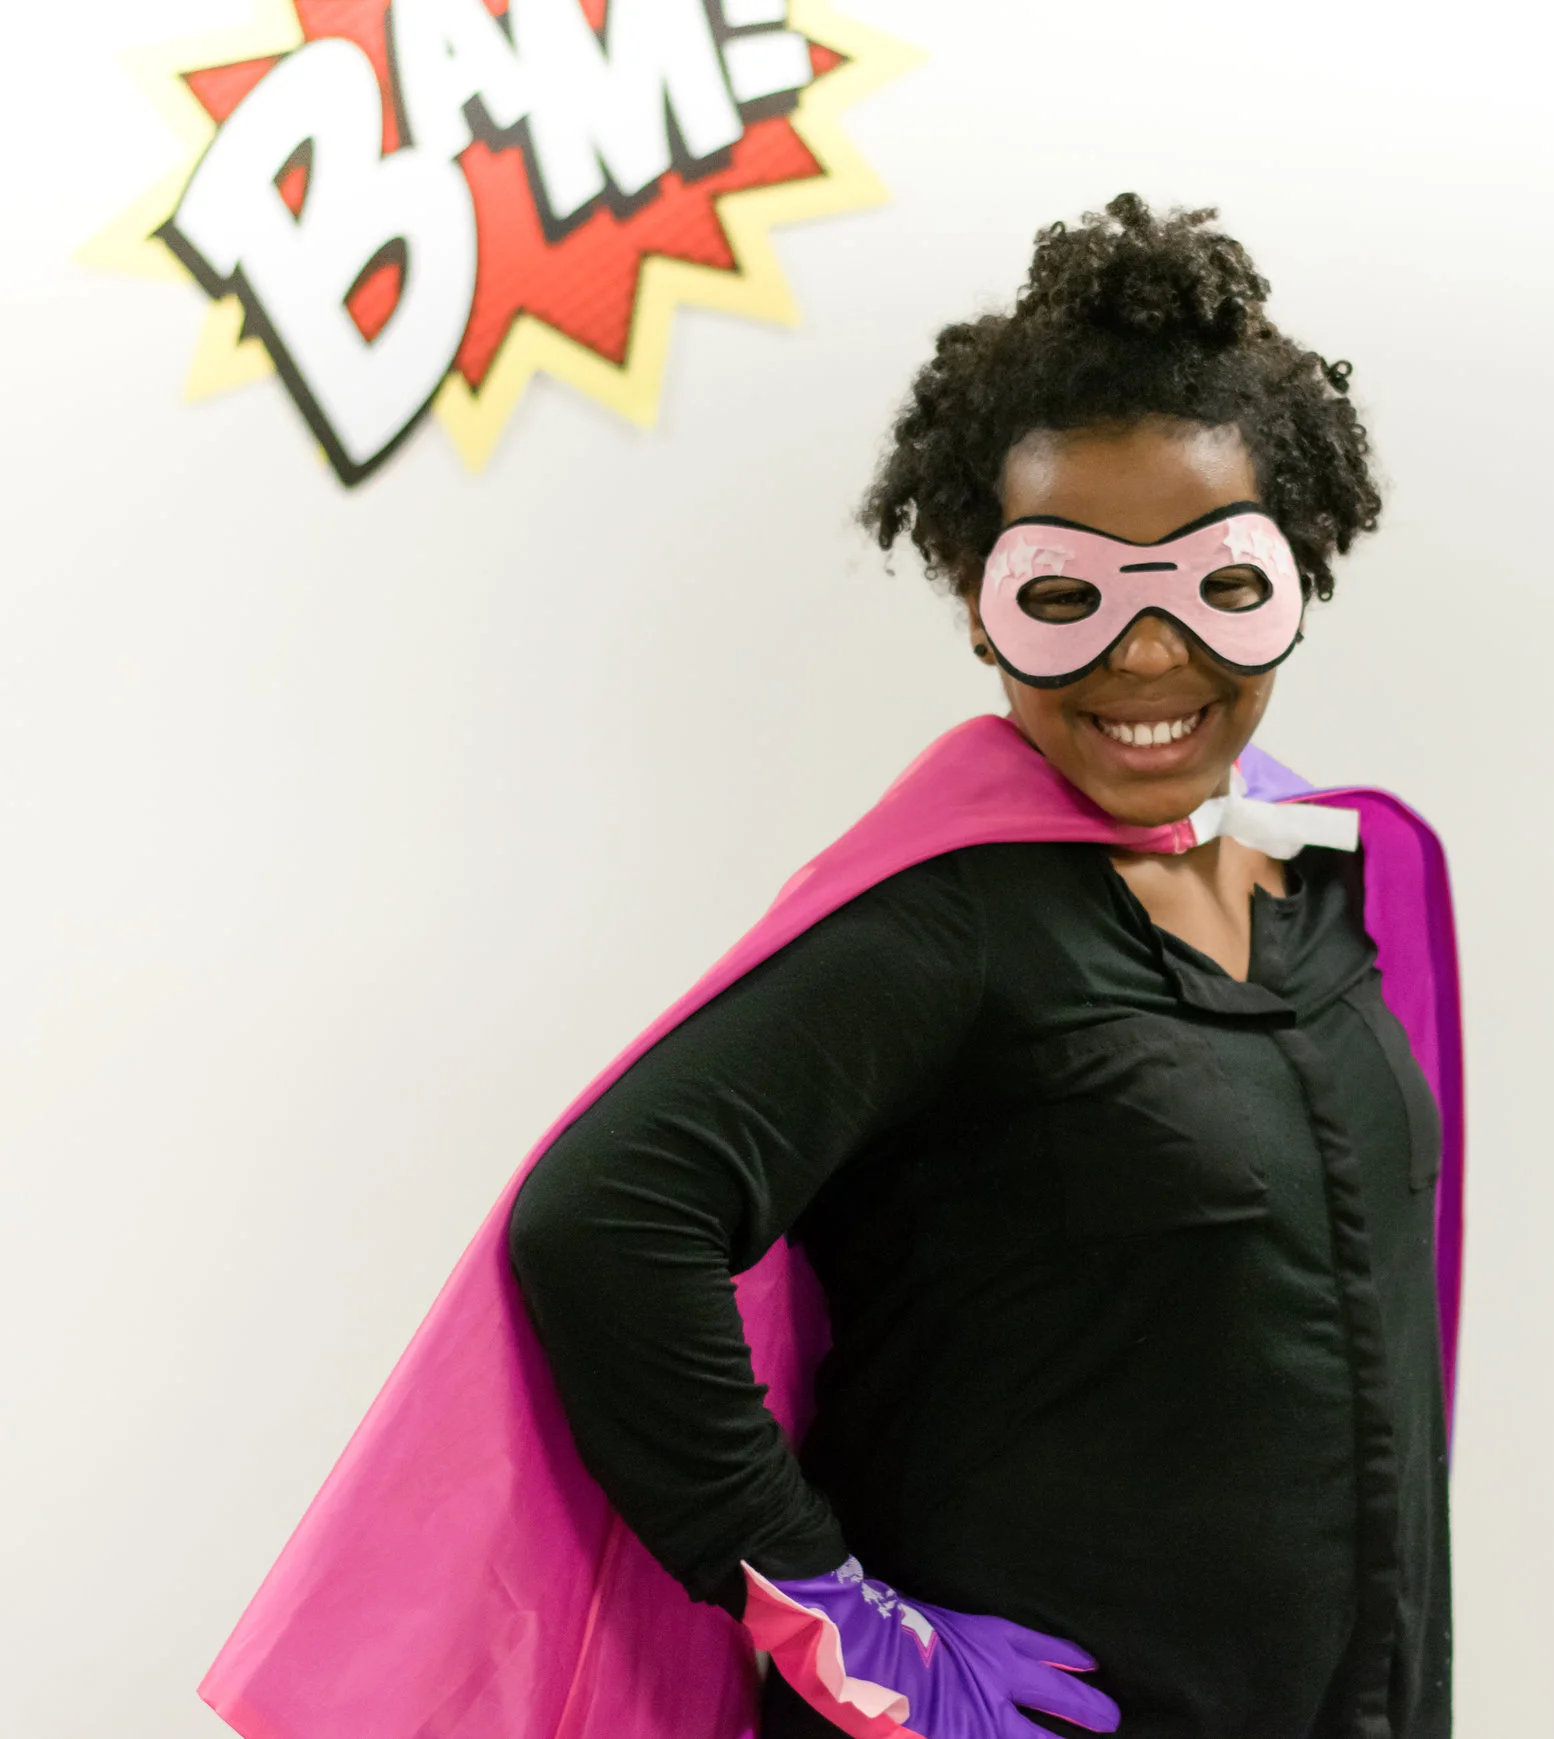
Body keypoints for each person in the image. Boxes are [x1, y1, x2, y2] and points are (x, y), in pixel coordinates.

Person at [194, 194, 1464, 1739]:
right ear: (982, 606)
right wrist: (832, 1613)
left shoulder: (1328, 884)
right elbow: (606, 1219)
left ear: (1299, 574)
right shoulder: (952, 921)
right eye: (1067, 595)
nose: (1145, 654)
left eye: (1220, 584)